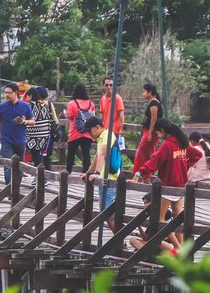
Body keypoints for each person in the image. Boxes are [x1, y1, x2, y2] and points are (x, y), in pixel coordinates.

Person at [134, 118, 203, 248]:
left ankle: (175, 247)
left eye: (158, 133)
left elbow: (154, 161)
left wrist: (140, 172)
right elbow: (197, 155)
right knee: (178, 220)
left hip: (168, 186)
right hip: (180, 185)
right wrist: (184, 166)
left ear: (163, 131)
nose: (158, 137)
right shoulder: (182, 143)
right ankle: (181, 248)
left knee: (160, 220)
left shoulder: (167, 145)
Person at [83, 116, 123, 227]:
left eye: (90, 131)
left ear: (97, 127)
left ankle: (120, 240)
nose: (89, 134)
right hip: (104, 179)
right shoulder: (101, 138)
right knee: (106, 214)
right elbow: (97, 156)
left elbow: (103, 154)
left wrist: (96, 172)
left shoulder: (107, 135)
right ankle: (119, 240)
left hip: (109, 179)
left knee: (108, 215)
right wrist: (89, 172)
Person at [0, 83, 35, 184]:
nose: (6, 95)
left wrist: (25, 122)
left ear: (15, 93)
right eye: (5, 93)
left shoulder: (25, 106)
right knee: (8, 165)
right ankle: (9, 190)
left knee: (19, 166)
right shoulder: (1, 107)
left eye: (8, 93)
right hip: (6, 140)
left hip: (20, 140)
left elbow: (33, 122)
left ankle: (16, 188)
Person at [64, 84, 95, 173]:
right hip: (87, 133)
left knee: (71, 153)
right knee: (86, 154)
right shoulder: (90, 103)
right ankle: (86, 172)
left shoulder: (72, 103)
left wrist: (66, 115)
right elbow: (93, 117)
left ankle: (67, 172)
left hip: (75, 133)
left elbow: (70, 116)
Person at [25, 86, 58, 169]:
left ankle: (39, 176)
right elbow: (55, 120)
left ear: (31, 96)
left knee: (36, 157)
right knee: (45, 155)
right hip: (46, 136)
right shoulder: (45, 104)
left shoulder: (29, 105)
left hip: (34, 136)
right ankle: (47, 175)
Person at [133, 83, 163, 170]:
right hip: (149, 131)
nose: (143, 94)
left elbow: (154, 118)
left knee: (142, 152)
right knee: (144, 153)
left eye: (144, 92)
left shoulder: (154, 103)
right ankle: (145, 175)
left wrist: (149, 132)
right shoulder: (153, 102)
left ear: (150, 92)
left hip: (152, 132)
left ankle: (140, 173)